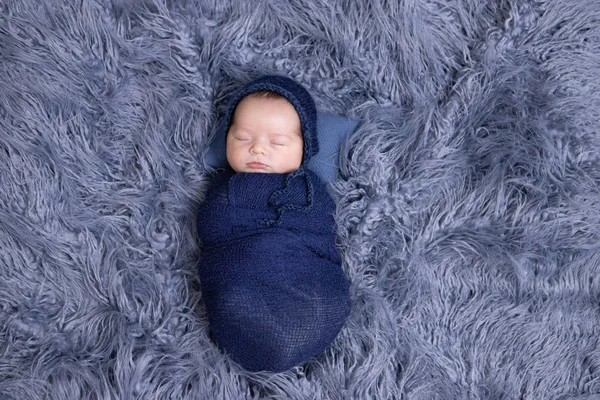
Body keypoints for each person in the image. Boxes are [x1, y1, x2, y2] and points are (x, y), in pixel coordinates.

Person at [196, 75, 351, 373]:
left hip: (305, 274)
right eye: (242, 138)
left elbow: (322, 230)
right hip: (242, 279)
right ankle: (248, 332)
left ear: (305, 148)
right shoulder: (224, 186)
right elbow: (212, 225)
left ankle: (313, 321)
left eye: (277, 142)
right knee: (234, 296)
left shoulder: (310, 189)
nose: (257, 149)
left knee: (325, 297)